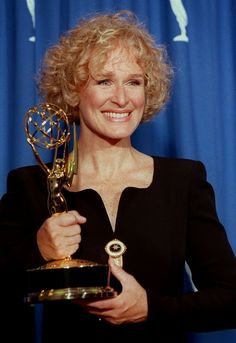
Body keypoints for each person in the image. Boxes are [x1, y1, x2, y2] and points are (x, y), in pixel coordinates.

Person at [0, 10, 236, 343]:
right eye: (104, 80)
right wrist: (36, 250)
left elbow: (230, 298)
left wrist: (152, 308)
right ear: (72, 91)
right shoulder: (31, 185)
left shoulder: (183, 181)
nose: (122, 98)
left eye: (134, 82)